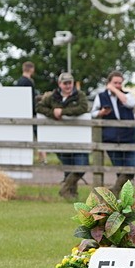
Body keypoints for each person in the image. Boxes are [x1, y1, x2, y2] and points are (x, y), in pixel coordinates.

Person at [36, 72, 91, 200]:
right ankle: (71, 195)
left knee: (82, 165)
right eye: (65, 83)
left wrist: (63, 112)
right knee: (68, 167)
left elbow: (83, 108)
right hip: (60, 137)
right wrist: (52, 113)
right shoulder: (52, 97)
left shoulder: (79, 95)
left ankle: (65, 189)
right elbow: (39, 107)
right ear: (59, 84)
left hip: (79, 137)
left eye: (70, 83)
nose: (68, 85)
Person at [92, 71, 135, 195]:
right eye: (115, 83)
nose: (118, 85)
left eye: (119, 83)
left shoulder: (127, 95)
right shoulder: (101, 96)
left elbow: (129, 103)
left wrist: (115, 90)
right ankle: (123, 196)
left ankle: (114, 192)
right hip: (110, 137)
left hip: (128, 137)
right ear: (108, 83)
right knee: (119, 169)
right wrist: (100, 113)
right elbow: (92, 113)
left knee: (132, 166)